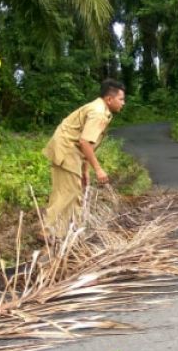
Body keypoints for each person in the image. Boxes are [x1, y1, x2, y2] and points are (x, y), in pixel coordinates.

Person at [42, 80, 126, 236]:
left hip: (70, 149)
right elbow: (84, 142)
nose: (123, 103)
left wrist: (85, 170)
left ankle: (67, 232)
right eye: (121, 99)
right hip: (66, 149)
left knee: (74, 192)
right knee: (67, 192)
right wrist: (98, 169)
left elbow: (87, 143)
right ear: (109, 99)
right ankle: (48, 232)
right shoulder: (98, 113)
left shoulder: (100, 109)